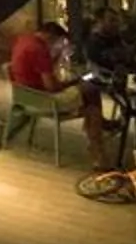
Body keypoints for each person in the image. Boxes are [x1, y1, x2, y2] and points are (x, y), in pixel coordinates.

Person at [8, 18, 84, 151]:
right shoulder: (39, 50)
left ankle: (98, 131)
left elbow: (40, 68)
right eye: (58, 41)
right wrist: (71, 83)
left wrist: (55, 58)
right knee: (88, 94)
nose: (56, 45)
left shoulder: (24, 39)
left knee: (86, 95)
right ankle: (97, 148)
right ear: (51, 36)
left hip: (23, 92)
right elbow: (51, 87)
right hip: (39, 98)